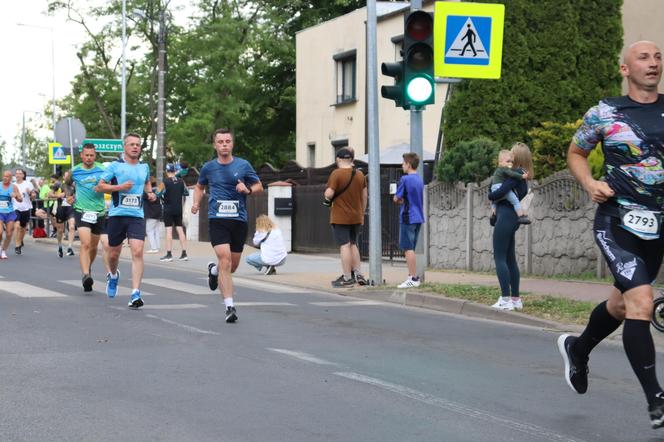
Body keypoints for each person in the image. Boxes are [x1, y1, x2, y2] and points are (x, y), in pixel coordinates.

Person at [557, 41, 664, 429]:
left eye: (657, 57)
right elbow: (575, 153)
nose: (653, 63)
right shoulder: (605, 112)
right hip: (617, 222)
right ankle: (657, 401)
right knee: (640, 303)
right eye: (643, 57)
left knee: (621, 307)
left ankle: (578, 347)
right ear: (624, 69)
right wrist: (589, 184)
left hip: (659, 224)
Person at [192, 128, 262, 323]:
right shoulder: (208, 168)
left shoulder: (244, 165)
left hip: (238, 220)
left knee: (232, 266)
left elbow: (259, 186)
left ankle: (213, 272)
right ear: (215, 145)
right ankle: (229, 307)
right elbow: (199, 186)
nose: (224, 144)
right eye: (220, 141)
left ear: (232, 144)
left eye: (227, 141)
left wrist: (247, 189)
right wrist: (196, 203)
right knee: (225, 260)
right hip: (217, 219)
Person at [96, 132, 157, 308]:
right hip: (117, 215)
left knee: (137, 251)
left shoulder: (144, 167)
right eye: (132, 144)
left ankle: (135, 293)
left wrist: (150, 193)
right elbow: (100, 186)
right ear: (125, 147)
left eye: (138, 144)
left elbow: (146, 183)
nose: (135, 147)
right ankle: (113, 276)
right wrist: (119, 187)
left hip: (137, 215)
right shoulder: (115, 166)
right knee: (113, 253)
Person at [487, 142, 534, 311]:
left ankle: (505, 298)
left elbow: (496, 194)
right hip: (511, 218)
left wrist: (491, 195)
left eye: (511, 157)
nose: (509, 160)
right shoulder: (522, 176)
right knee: (510, 259)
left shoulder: (514, 176)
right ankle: (515, 299)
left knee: (500, 257)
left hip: (505, 218)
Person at [323, 147, 368, 288]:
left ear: (338, 159)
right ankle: (358, 274)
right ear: (351, 160)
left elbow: (329, 194)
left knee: (344, 245)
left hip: (341, 216)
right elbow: (364, 196)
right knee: (354, 244)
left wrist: (326, 194)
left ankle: (347, 277)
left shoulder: (336, 174)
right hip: (356, 216)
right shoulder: (360, 175)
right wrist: (362, 212)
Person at [69, 143, 108, 292]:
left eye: (92, 155)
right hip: (82, 210)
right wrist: (69, 195)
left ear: (95, 156)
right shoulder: (75, 171)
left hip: (99, 212)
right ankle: (86, 275)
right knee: (85, 243)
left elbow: (111, 183)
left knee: (93, 247)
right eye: (86, 155)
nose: (89, 158)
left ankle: (88, 268)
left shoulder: (102, 169)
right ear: (81, 155)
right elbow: (66, 184)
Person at [393, 152, 425, 288]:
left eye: (403, 163)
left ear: (409, 164)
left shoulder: (405, 179)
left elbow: (396, 198)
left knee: (408, 248)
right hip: (418, 216)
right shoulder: (419, 179)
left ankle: (413, 277)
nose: (402, 165)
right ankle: (413, 277)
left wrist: (398, 199)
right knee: (411, 247)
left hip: (408, 216)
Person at [490, 150, 530, 225]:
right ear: (500, 162)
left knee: (494, 202)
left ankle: (493, 216)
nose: (510, 163)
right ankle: (521, 216)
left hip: (494, 188)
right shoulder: (504, 169)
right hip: (500, 187)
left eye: (511, 162)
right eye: (508, 161)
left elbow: (491, 185)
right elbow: (512, 174)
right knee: (515, 201)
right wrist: (522, 176)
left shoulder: (497, 171)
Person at [158, 163, 188, 262]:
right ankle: (184, 253)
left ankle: (169, 254)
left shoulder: (164, 182)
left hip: (168, 208)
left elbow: (158, 193)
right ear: (175, 171)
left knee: (169, 230)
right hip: (178, 208)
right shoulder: (181, 181)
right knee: (180, 229)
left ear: (166, 172)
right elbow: (186, 192)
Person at [0, 170, 23, 259]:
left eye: (7, 177)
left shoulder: (13, 187)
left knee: (9, 233)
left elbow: (20, 199)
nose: (5, 178)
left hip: (9, 212)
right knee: (0, 232)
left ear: (10, 178)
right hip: (0, 212)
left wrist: (16, 196)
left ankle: (3, 250)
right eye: (4, 176)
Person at [12, 168, 35, 255]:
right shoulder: (13, 185)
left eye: (19, 173)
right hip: (15, 208)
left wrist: (32, 194)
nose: (17, 175)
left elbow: (32, 193)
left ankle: (20, 240)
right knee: (17, 226)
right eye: (16, 173)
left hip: (26, 208)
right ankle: (17, 246)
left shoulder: (28, 184)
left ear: (23, 175)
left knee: (23, 228)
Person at [143, 176, 162, 253]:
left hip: (151, 213)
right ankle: (157, 246)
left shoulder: (148, 193)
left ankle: (154, 248)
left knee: (149, 230)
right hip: (158, 213)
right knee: (156, 230)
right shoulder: (158, 190)